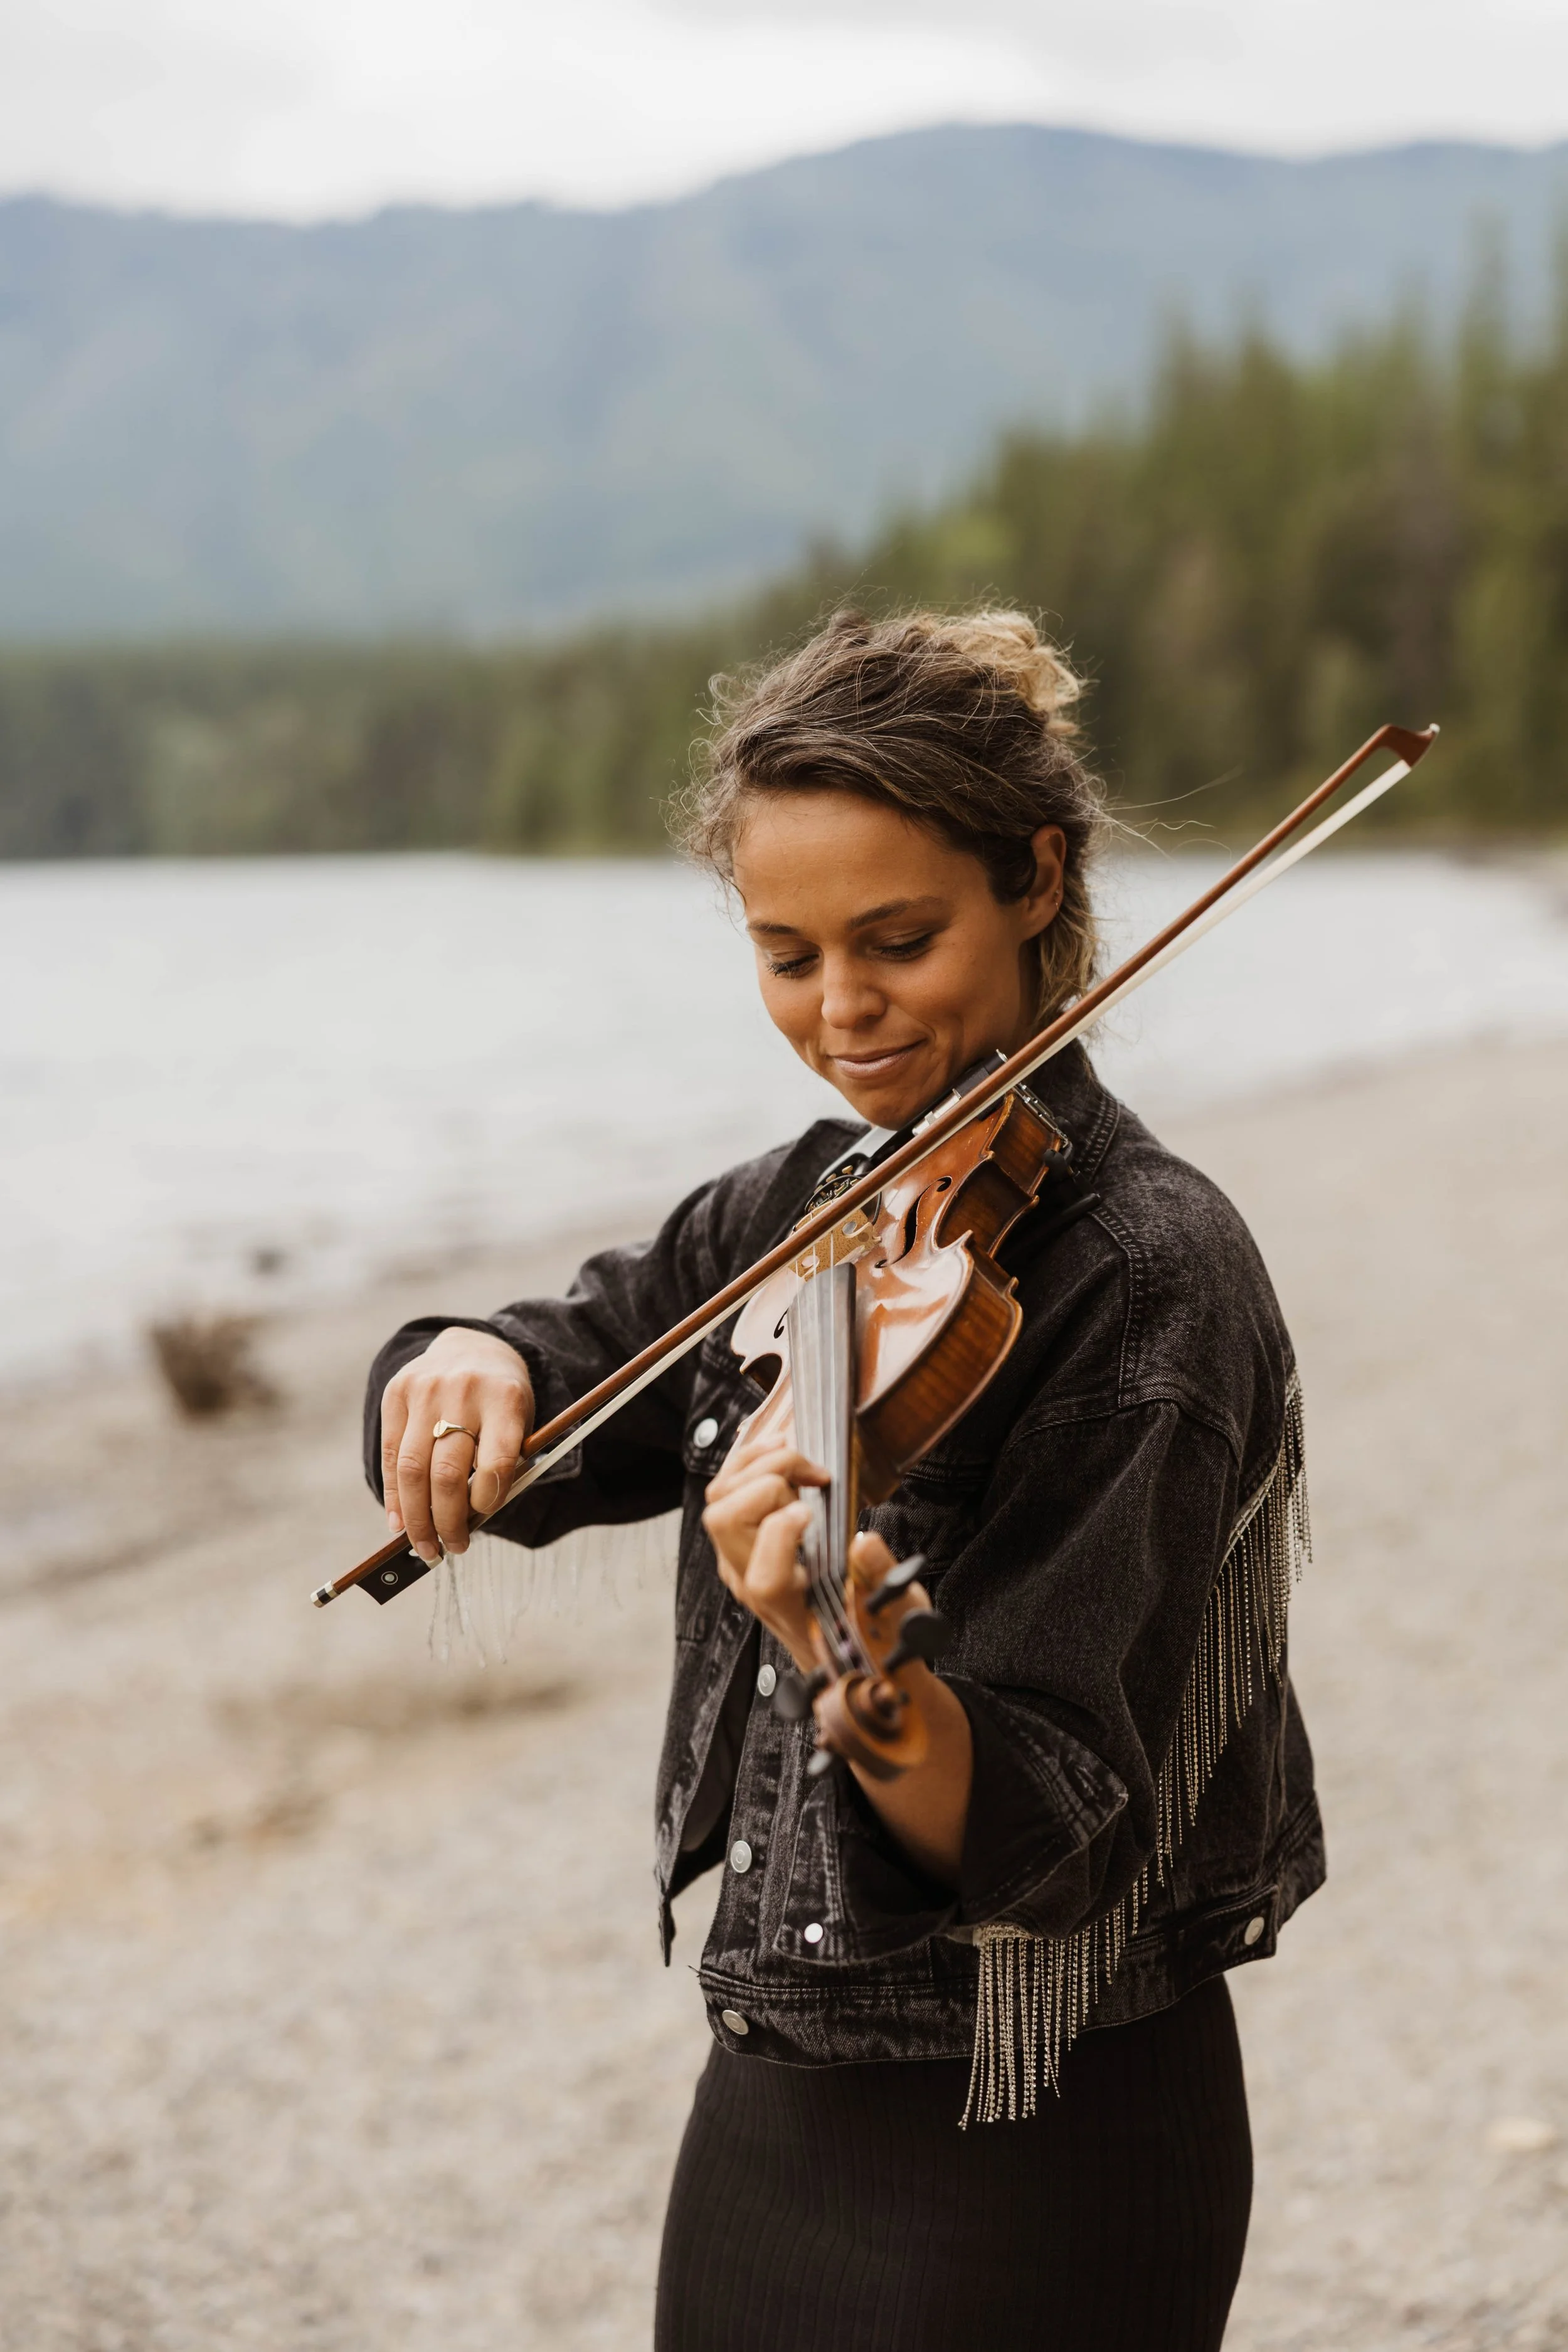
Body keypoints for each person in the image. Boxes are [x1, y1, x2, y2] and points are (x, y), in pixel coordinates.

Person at [363, 609, 1322, 2352]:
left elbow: (1031, 1818)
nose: (840, 1009)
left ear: (1037, 877)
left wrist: (841, 1660)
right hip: (788, 2069)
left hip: (1049, 2104)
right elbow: (586, 1362)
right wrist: (463, 1358)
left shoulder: (1151, 1273)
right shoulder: (810, 1202)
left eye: (895, 939)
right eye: (785, 954)